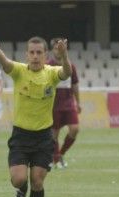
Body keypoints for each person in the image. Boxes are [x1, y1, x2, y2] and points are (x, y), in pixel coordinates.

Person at [0, 32, 72, 197]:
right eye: (32, 52)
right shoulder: (19, 71)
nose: (36, 56)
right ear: (27, 54)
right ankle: (21, 189)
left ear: (46, 54)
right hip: (21, 136)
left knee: (38, 181)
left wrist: (64, 56)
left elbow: (67, 73)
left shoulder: (51, 73)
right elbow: (5, 64)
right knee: (19, 179)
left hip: (44, 138)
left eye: (39, 52)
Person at [48, 37, 81, 169]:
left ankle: (60, 154)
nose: (58, 50)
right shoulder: (48, 65)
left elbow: (75, 84)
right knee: (54, 133)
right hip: (54, 104)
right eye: (56, 48)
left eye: (61, 48)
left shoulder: (70, 65)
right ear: (52, 50)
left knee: (75, 129)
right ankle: (55, 159)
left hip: (68, 103)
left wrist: (78, 102)